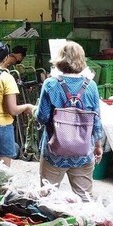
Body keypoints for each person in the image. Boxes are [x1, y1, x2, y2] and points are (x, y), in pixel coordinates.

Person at [36, 41, 103, 198]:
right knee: (85, 198)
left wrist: (32, 110)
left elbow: (42, 117)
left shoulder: (50, 84)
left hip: (54, 153)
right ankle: (85, 223)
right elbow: (97, 120)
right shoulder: (91, 85)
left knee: (47, 197)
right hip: (83, 152)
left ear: (59, 59)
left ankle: (53, 222)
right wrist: (98, 145)